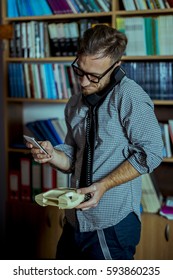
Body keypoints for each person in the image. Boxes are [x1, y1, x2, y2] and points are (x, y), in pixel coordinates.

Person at [26, 25, 163, 260]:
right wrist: (51, 155)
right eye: (80, 71)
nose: (83, 83)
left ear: (116, 67)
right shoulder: (74, 103)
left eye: (94, 77)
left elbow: (151, 153)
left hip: (112, 225)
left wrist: (105, 185)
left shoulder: (131, 96)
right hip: (74, 221)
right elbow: (73, 157)